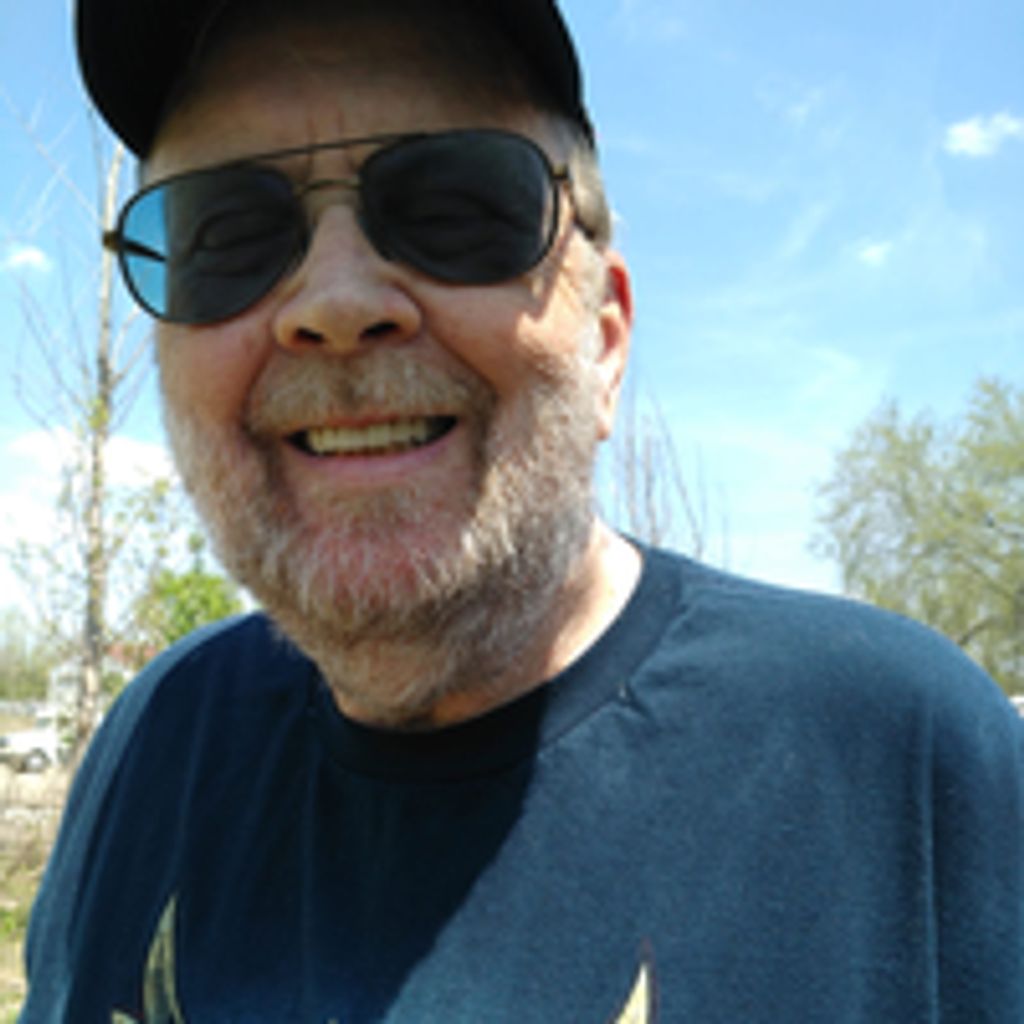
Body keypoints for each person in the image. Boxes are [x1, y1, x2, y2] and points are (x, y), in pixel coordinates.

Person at [21, 0, 1024, 1020]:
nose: (335, 301)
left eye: (455, 209)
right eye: (227, 234)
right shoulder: (157, 743)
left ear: (605, 341)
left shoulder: (903, 765)